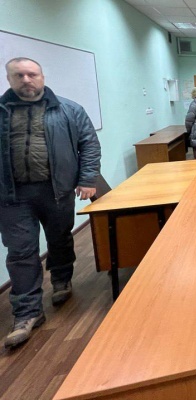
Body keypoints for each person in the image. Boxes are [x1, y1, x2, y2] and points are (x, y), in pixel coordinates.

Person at [0, 57, 101, 348]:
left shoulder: (68, 109)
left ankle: (61, 279)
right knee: (20, 252)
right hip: (12, 196)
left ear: (42, 77)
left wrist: (87, 179)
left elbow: (88, 144)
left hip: (56, 190)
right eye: (19, 75)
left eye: (32, 74)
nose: (26, 80)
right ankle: (27, 313)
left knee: (59, 238)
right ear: (9, 79)